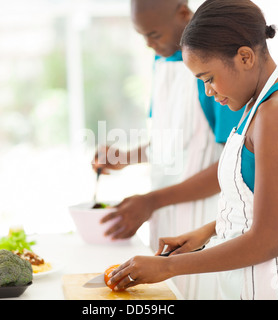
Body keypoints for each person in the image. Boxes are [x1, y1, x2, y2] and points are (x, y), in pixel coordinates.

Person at [107, 0, 278, 300]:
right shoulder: (257, 102)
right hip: (256, 277)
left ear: (245, 57)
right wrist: (206, 232)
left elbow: (269, 239)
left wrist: (168, 268)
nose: (208, 92)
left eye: (209, 78)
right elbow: (261, 204)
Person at [92, 0, 243, 299]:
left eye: (154, 34)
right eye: (142, 36)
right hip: (165, 218)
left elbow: (232, 163)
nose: (148, 44)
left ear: (183, 14)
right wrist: (124, 157)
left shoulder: (212, 71)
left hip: (205, 223)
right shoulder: (161, 64)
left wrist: (152, 201)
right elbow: (171, 143)